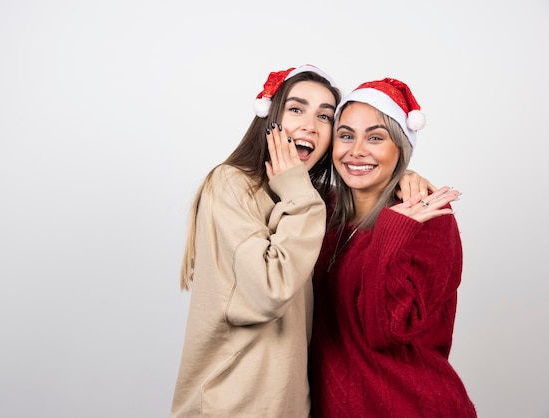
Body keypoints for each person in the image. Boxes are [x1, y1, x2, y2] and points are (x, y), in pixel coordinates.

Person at [171, 65, 432, 417]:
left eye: (325, 117)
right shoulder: (231, 184)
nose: (310, 124)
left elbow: (363, 194)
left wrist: (402, 175)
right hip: (231, 405)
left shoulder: (312, 199)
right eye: (296, 109)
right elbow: (269, 291)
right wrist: (297, 187)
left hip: (289, 406)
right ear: (270, 118)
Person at [309, 78, 477, 417]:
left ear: (400, 147)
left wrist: (391, 230)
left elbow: (386, 329)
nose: (356, 150)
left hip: (410, 406)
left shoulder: (429, 219)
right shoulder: (322, 212)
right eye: (346, 135)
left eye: (375, 137)